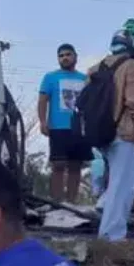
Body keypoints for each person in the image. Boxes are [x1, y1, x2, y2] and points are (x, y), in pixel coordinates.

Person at [88, 20, 134, 241]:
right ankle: (112, 236)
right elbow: (132, 102)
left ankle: (103, 205)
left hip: (100, 132)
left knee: (115, 181)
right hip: (123, 132)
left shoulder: (97, 67)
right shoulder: (131, 66)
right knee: (124, 185)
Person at [38, 43, 91, 203]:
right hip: (58, 127)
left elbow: (90, 103)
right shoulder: (50, 77)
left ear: (75, 57)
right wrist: (42, 121)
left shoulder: (84, 79)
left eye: (68, 54)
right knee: (58, 164)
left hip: (79, 127)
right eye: (61, 56)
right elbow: (43, 100)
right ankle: (56, 202)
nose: (65, 58)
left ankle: (71, 202)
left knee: (76, 165)